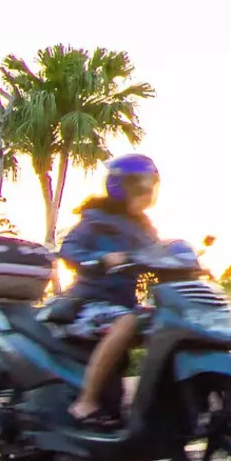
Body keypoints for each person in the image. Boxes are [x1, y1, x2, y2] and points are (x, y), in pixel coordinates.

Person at [62, 153, 165, 429]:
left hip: (124, 304)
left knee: (169, 323)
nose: (146, 192)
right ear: (121, 186)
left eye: (150, 185)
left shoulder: (143, 225)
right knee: (127, 321)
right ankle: (86, 401)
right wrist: (102, 258)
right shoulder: (95, 218)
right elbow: (69, 249)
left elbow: (158, 252)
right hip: (90, 302)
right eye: (141, 186)